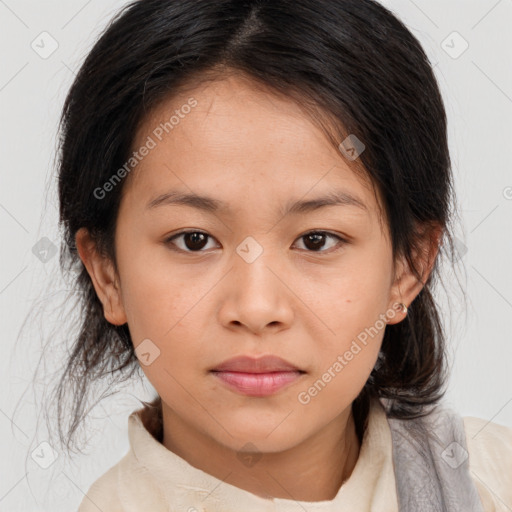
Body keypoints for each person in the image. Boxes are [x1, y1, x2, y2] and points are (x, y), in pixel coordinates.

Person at [50, 0, 512, 510]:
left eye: (316, 240)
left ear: (408, 267)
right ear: (107, 274)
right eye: (194, 239)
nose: (255, 308)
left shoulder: (490, 483)